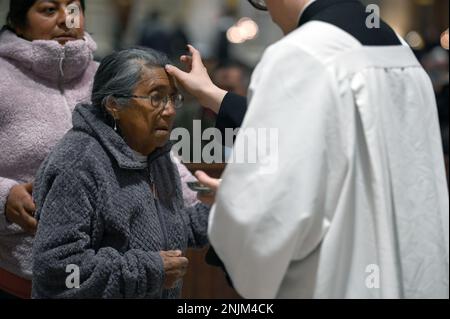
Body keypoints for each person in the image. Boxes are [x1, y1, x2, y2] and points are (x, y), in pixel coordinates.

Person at [166, 0, 449, 298]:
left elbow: (275, 215)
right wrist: (211, 93)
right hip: (414, 275)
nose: (269, 13)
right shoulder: (398, 47)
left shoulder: (301, 52)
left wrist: (236, 201)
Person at [0, 0, 197, 299]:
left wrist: (202, 203)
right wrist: (4, 197)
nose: (66, 21)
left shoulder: (106, 76)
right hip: (17, 270)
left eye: (73, 10)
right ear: (17, 21)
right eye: (48, 10)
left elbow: (155, 154)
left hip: (113, 281)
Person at [32, 48, 211, 299]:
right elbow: (59, 271)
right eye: (156, 98)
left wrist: (224, 210)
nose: (170, 110)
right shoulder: (78, 162)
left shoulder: (155, 155)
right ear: (114, 104)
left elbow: (173, 227)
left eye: (173, 98)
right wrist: (149, 271)